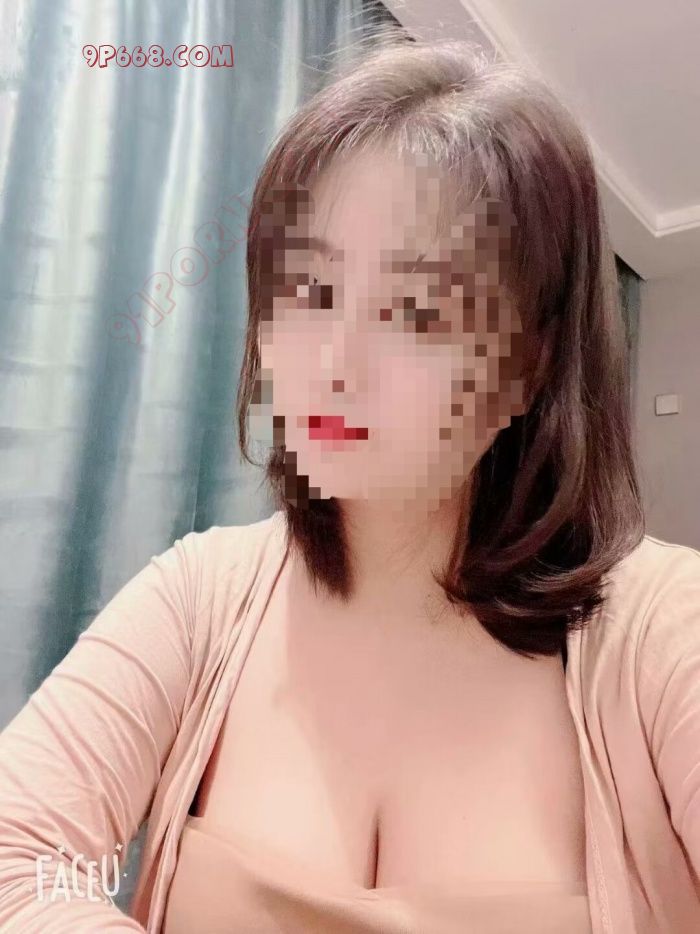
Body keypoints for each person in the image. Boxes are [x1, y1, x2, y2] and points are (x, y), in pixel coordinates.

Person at [1, 27, 699, 934]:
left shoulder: (661, 631)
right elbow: (18, 857)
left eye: (415, 312)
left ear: (527, 369)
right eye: (311, 293)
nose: (335, 365)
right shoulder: (200, 595)